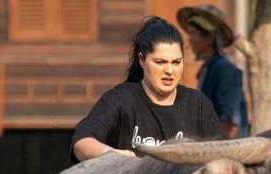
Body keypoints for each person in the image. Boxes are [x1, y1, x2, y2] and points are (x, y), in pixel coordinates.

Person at [71, 16, 222, 163]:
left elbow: (221, 156)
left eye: (176, 62)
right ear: (142, 60)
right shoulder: (121, 99)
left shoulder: (198, 104)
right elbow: (81, 143)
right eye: (160, 62)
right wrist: (112, 155)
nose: (170, 70)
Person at [177, 3, 249, 139]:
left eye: (193, 34)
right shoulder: (208, 69)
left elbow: (230, 122)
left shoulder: (225, 70)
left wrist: (220, 154)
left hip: (227, 152)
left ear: (209, 38)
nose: (189, 40)